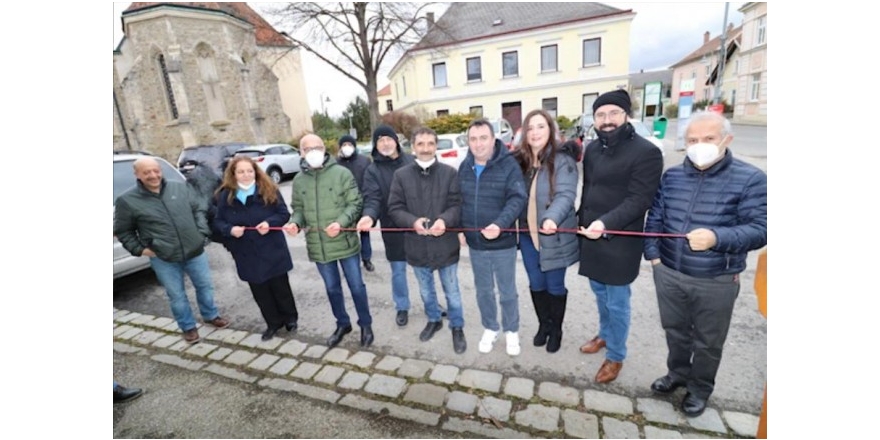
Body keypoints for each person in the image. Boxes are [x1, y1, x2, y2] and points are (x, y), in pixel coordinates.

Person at [644, 111, 767, 417]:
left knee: (709, 341)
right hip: (669, 272)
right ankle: (678, 374)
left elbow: (762, 228)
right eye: (693, 140)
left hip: (716, 278)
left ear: (726, 140)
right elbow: (655, 216)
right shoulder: (672, 176)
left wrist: (717, 237)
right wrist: (654, 256)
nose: (700, 145)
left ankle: (699, 389)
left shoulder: (751, 178)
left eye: (709, 139)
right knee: (675, 331)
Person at [576, 89, 663, 383]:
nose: (607, 119)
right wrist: (581, 220)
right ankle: (604, 334)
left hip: (620, 241)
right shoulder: (591, 149)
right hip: (591, 237)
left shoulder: (647, 152)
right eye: (600, 114)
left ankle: (616, 356)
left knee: (617, 301)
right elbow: (588, 189)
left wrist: (604, 222)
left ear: (626, 115)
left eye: (613, 113)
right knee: (599, 294)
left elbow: (640, 200)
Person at [114, 157, 230, 345]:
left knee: (205, 287)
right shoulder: (127, 201)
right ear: (137, 175)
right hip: (163, 257)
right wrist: (141, 250)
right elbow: (123, 231)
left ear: (160, 170)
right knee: (176, 295)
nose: (153, 175)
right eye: (146, 172)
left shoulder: (180, 188)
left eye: (155, 170)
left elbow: (198, 210)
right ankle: (188, 327)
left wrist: (201, 234)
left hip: (195, 251)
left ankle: (210, 315)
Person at [284, 134, 373, 348]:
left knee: (357, 287)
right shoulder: (298, 180)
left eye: (318, 146)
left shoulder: (342, 173)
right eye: (308, 148)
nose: (313, 151)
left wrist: (341, 223)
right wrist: (295, 223)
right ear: (301, 152)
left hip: (344, 242)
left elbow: (355, 203)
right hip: (319, 246)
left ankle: (366, 324)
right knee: (332, 288)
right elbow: (298, 209)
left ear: (325, 149)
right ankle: (342, 323)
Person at [387, 127, 467, 354]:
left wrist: (444, 220)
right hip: (416, 245)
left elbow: (457, 205)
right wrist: (412, 222)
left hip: (446, 245)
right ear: (413, 147)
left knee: (452, 290)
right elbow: (394, 207)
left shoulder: (449, 173)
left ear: (436, 146)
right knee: (425, 290)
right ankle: (434, 319)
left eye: (430, 144)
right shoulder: (401, 176)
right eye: (420, 144)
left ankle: (457, 325)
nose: (425, 148)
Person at [512, 110, 580, 354]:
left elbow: (566, 194)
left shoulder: (562, 161)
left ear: (550, 130)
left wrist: (552, 218)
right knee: (536, 282)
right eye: (530, 128)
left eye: (540, 127)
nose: (535, 133)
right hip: (527, 235)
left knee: (554, 284)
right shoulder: (519, 162)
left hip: (554, 234)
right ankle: (544, 325)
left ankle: (557, 329)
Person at [459, 118, 527, 356]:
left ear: (493, 139)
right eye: (473, 139)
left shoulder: (508, 165)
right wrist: (460, 228)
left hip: (502, 243)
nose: (478, 144)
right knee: (483, 290)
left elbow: (517, 198)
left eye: (483, 138)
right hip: (476, 244)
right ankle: (490, 327)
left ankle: (511, 330)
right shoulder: (464, 167)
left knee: (507, 290)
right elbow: (460, 201)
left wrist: (500, 224)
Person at [212, 156, 299, 341]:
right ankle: (273, 323)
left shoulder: (269, 189)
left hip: (272, 249)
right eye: (241, 171)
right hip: (246, 252)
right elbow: (218, 221)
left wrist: (269, 222)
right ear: (233, 174)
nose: (246, 175)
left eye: (249, 171)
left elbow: (283, 214)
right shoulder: (224, 195)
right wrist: (229, 230)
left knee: (280, 288)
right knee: (260, 291)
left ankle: (290, 318)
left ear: (255, 171)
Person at [356, 125, 416, 327]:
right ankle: (402, 306)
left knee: (424, 270)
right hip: (392, 228)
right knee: (398, 270)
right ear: (376, 145)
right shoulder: (373, 170)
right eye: (380, 140)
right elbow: (372, 198)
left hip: (417, 225)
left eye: (388, 139)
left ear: (396, 140)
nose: (385, 143)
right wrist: (369, 217)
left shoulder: (411, 161)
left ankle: (432, 304)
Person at [337, 134, 375, 272]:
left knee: (364, 233)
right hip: (344, 206)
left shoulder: (364, 161)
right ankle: (352, 262)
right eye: (344, 145)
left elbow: (370, 182)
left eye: (350, 145)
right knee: (348, 235)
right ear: (340, 147)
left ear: (354, 146)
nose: (347, 148)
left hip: (362, 203)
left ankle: (367, 259)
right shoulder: (336, 164)